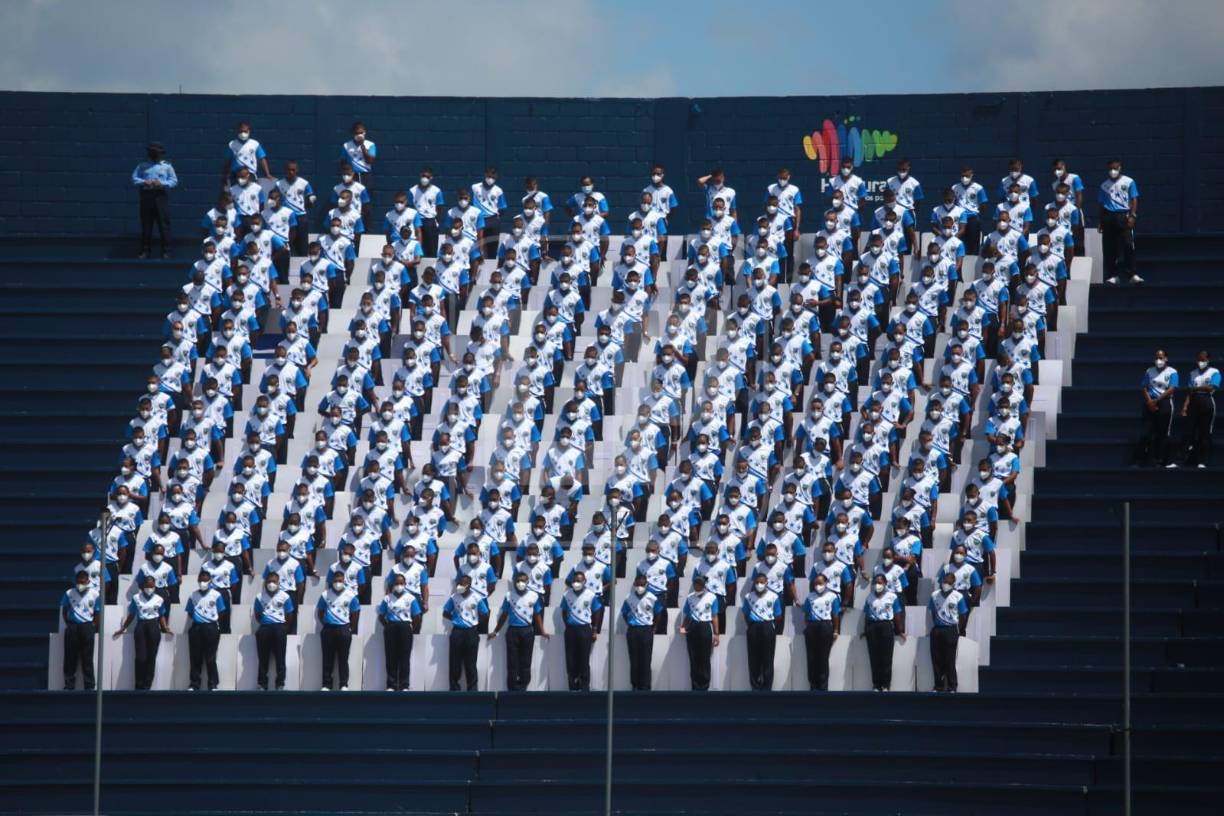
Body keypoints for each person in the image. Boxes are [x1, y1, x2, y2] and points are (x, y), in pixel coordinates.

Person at [113, 575, 170, 690]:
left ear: (154, 586)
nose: (149, 588)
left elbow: (161, 615)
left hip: (154, 626)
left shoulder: (159, 599)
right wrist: (123, 628)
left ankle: (147, 685)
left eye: (152, 586)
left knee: (151, 658)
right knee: (140, 657)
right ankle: (139, 685)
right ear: (143, 586)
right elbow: (132, 615)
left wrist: (165, 627)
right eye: (147, 586)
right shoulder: (136, 598)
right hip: (141, 626)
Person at [490, 572, 545, 691]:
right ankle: (512, 687)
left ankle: (523, 686)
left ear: (528, 582)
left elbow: (537, 615)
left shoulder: (534, 596)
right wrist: (495, 631)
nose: (520, 583)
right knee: (512, 660)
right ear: (514, 581)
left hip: (527, 630)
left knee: (526, 660)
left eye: (523, 581)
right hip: (512, 631)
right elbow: (504, 614)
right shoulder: (509, 595)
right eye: (518, 580)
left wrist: (542, 631)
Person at [443, 574, 488, 691]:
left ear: (468, 585)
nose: (459, 586)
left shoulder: (477, 598)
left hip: (471, 632)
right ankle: (454, 689)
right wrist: (455, 619)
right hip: (457, 631)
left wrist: (476, 624)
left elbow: (485, 614)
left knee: (471, 663)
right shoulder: (454, 597)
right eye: (459, 583)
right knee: (454, 662)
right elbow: (445, 612)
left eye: (462, 584)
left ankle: (472, 690)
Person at [559, 571, 604, 690]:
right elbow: (563, 611)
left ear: (584, 582)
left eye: (579, 581)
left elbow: (597, 612)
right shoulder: (566, 594)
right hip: (571, 630)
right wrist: (568, 624)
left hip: (585, 629)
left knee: (584, 659)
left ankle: (584, 687)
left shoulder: (591, 595)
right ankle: (573, 686)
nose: (576, 583)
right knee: (570, 659)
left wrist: (594, 630)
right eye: (574, 581)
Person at [131, 141, 177, 259]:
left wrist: (161, 183)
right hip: (146, 196)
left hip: (160, 196)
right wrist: (144, 181)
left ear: (160, 154)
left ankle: (166, 251)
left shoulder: (167, 166)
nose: (153, 154)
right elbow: (134, 178)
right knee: (146, 224)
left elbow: (174, 181)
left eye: (156, 152)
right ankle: (145, 251)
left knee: (163, 224)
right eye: (152, 152)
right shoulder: (142, 165)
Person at [1099, 159, 1141, 284]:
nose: (1113, 171)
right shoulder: (1104, 185)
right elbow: (1101, 204)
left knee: (1128, 244)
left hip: (1123, 215)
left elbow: (1134, 199)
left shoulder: (1129, 182)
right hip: (1108, 216)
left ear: (1120, 168)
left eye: (1115, 168)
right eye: (1110, 168)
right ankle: (1113, 275)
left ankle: (1132, 274)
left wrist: (1132, 216)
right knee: (1110, 247)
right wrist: (1101, 221)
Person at [316, 572, 360, 691]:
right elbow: (320, 612)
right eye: (335, 581)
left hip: (344, 629)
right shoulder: (325, 595)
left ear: (344, 581)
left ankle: (343, 684)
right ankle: (326, 684)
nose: (337, 583)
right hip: (328, 629)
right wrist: (326, 623)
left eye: (340, 581)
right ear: (332, 581)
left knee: (343, 659)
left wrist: (351, 628)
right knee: (327, 658)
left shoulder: (351, 595)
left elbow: (355, 613)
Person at [379, 573, 423, 692]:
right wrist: (388, 626)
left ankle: (404, 685)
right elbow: (381, 616)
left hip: (405, 627)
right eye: (396, 583)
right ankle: (391, 685)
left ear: (405, 584)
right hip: (391, 627)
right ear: (393, 584)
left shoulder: (411, 598)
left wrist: (410, 628)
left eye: (401, 583)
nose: (399, 585)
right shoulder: (387, 598)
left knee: (404, 657)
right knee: (391, 656)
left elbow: (417, 616)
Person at [862, 574, 905, 691]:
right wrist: (865, 629)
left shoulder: (892, 597)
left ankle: (885, 685)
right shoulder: (869, 597)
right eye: (876, 582)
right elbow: (867, 615)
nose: (878, 585)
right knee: (874, 656)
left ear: (885, 584)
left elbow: (897, 614)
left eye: (880, 583)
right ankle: (876, 684)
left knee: (886, 657)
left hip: (886, 626)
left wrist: (899, 630)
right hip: (872, 627)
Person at [253, 572, 296, 691]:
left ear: (278, 583)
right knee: (263, 657)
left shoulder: (285, 596)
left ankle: (280, 683)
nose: (271, 584)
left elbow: (290, 614)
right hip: (264, 628)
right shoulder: (259, 596)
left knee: (280, 657)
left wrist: (283, 628)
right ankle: (262, 684)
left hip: (279, 628)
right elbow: (257, 615)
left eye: (274, 581)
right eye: (269, 581)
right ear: (266, 582)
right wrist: (265, 623)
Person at [622, 574, 665, 690]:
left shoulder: (652, 598)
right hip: (633, 630)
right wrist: (631, 623)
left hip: (646, 630)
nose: (640, 586)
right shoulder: (628, 597)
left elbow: (659, 613)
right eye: (638, 584)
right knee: (634, 659)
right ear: (634, 584)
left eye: (642, 584)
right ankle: (635, 684)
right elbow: (624, 613)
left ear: (646, 585)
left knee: (646, 659)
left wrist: (654, 627)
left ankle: (645, 685)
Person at [928, 572, 969, 692]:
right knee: (936, 659)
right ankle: (938, 686)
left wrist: (959, 629)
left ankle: (952, 686)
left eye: (949, 583)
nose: (946, 584)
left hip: (951, 630)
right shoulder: (934, 595)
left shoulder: (958, 596)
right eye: (944, 582)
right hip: (937, 630)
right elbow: (932, 612)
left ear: (953, 584)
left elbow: (963, 615)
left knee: (949, 659)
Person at [185, 570, 226, 691]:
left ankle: (213, 684)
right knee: (195, 656)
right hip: (196, 628)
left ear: (210, 581)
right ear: (198, 581)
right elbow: (190, 612)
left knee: (210, 657)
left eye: (205, 580)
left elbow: (222, 612)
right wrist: (199, 620)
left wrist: (211, 622)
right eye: (201, 580)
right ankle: (194, 684)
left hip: (211, 628)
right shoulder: (193, 595)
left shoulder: (216, 595)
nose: (203, 582)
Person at [1136, 350, 1178, 468]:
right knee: (1145, 432)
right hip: (1149, 402)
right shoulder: (1149, 371)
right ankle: (1141, 459)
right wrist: (1149, 401)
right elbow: (1144, 387)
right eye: (1157, 358)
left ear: (1166, 358)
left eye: (1161, 357)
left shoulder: (1172, 372)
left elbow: (1172, 389)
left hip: (1164, 402)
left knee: (1163, 433)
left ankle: (1164, 460)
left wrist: (1157, 400)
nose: (1158, 360)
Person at [680, 573, 721, 690]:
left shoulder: (712, 597)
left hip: (705, 627)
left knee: (704, 657)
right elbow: (687, 615)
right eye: (696, 583)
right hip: (693, 627)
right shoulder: (690, 597)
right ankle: (695, 686)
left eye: (700, 584)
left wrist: (716, 633)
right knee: (693, 657)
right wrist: (683, 626)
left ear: (704, 585)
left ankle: (704, 686)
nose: (697, 586)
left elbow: (714, 616)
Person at [743, 572, 783, 691]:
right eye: (757, 582)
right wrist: (751, 624)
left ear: (766, 583)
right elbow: (745, 614)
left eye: (761, 582)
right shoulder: (748, 597)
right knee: (753, 658)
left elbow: (778, 616)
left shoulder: (773, 596)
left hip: (768, 627)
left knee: (768, 658)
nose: (759, 584)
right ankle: (755, 687)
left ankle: (767, 687)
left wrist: (770, 626)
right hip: (753, 627)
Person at [61, 572, 101, 690]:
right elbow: (64, 610)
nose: (80, 584)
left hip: (87, 626)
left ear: (88, 582)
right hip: (73, 627)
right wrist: (68, 623)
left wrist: (93, 625)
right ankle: (69, 684)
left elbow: (98, 612)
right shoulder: (69, 593)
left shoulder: (95, 594)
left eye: (82, 582)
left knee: (87, 658)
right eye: (78, 582)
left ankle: (89, 685)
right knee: (69, 657)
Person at [1180, 351, 1219, 468]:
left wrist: (1196, 388)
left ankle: (1203, 460)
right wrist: (1185, 407)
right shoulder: (1193, 373)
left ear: (1208, 360)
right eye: (1199, 360)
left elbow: (1211, 387)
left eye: (1203, 360)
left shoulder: (1214, 372)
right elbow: (1189, 392)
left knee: (1205, 432)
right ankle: (1186, 459)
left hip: (1207, 401)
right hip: (1193, 403)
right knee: (1189, 432)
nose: (1200, 362)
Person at [802, 574, 841, 690]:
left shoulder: (832, 596)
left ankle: (823, 686)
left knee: (823, 657)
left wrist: (835, 630)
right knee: (811, 657)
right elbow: (806, 614)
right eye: (815, 584)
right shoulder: (810, 597)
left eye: (820, 583)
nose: (817, 586)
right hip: (812, 626)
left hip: (826, 626)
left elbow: (835, 614)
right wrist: (809, 626)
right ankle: (813, 685)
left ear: (826, 583)